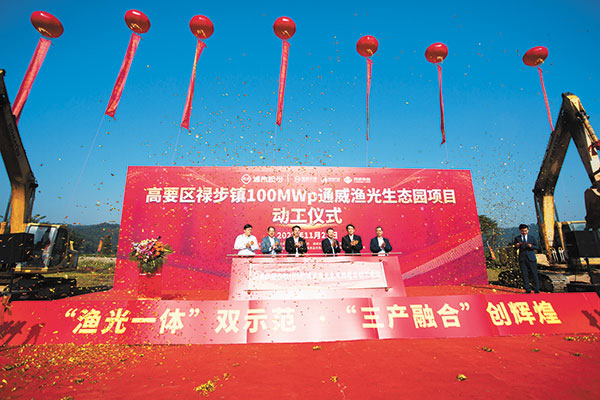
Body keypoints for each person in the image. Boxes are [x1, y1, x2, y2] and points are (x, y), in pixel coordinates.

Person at [513, 224, 540, 293]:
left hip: (531, 257)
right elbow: (514, 248)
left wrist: (531, 246)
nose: (524, 232)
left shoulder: (532, 238)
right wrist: (517, 246)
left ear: (528, 230)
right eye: (523, 231)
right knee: (524, 274)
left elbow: (537, 247)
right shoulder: (517, 238)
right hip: (522, 258)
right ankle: (527, 289)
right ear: (520, 231)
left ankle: (536, 289)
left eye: (525, 231)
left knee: (534, 273)